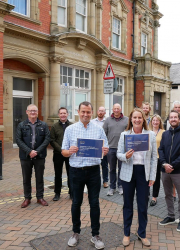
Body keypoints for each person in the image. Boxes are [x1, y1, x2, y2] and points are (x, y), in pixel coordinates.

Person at [62, 101, 109, 249]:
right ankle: (75, 232)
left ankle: (95, 234)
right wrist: (69, 151)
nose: (85, 114)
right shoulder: (70, 129)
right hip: (76, 171)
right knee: (76, 202)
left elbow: (105, 147)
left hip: (94, 171)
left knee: (94, 203)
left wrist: (105, 151)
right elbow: (63, 151)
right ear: (78, 111)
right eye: (83, 112)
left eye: (88, 112)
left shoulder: (98, 129)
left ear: (92, 113)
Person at [116, 108, 157, 247]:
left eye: (139, 117)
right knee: (127, 205)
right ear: (131, 119)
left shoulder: (150, 135)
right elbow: (118, 154)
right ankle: (126, 234)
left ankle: (142, 233)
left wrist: (152, 176)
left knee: (143, 205)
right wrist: (125, 156)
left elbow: (153, 158)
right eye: (134, 118)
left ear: (143, 119)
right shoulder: (124, 135)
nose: (137, 120)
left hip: (143, 173)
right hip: (128, 172)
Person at [158, 110, 180, 232]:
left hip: (178, 171)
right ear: (169, 119)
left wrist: (172, 165)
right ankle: (171, 216)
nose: (173, 119)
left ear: (179, 119)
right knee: (167, 194)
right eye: (171, 117)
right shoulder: (165, 134)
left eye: (175, 117)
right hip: (165, 170)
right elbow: (160, 150)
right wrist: (164, 164)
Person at [16, 104, 50, 208]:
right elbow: (18, 140)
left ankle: (40, 197)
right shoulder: (21, 125)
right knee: (26, 178)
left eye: (34, 111)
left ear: (37, 112)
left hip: (39, 156)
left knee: (39, 177)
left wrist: (37, 151)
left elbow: (47, 139)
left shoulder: (43, 125)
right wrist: (29, 151)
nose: (32, 113)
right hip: (25, 156)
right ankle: (27, 198)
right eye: (30, 111)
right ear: (27, 112)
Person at [103, 103, 129, 196]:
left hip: (122, 149)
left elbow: (129, 133)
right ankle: (112, 187)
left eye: (118, 108)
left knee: (122, 169)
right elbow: (104, 134)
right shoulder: (108, 120)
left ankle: (120, 186)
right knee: (112, 169)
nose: (116, 110)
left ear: (121, 109)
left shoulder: (126, 119)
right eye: (115, 108)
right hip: (111, 148)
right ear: (112, 109)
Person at [50, 107, 73, 201]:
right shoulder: (54, 126)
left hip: (70, 154)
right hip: (58, 154)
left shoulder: (72, 126)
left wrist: (68, 150)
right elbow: (52, 140)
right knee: (58, 174)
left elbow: (74, 139)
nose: (63, 115)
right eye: (61, 113)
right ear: (59, 115)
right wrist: (61, 149)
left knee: (70, 174)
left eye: (64, 113)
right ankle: (57, 193)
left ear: (67, 114)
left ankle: (72, 192)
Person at [91, 106, 109, 188]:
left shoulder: (107, 121)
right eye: (99, 111)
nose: (101, 112)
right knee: (94, 164)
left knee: (104, 165)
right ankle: (94, 181)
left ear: (105, 113)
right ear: (97, 112)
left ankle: (105, 181)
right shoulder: (92, 122)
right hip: (94, 146)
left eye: (102, 111)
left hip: (103, 146)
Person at [149, 114, 165, 206]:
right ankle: (146, 193)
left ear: (160, 122)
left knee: (156, 178)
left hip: (158, 158)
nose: (155, 122)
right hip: (148, 158)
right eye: (154, 120)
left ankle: (154, 197)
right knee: (146, 177)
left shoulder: (163, 132)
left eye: (157, 120)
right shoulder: (147, 131)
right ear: (151, 122)